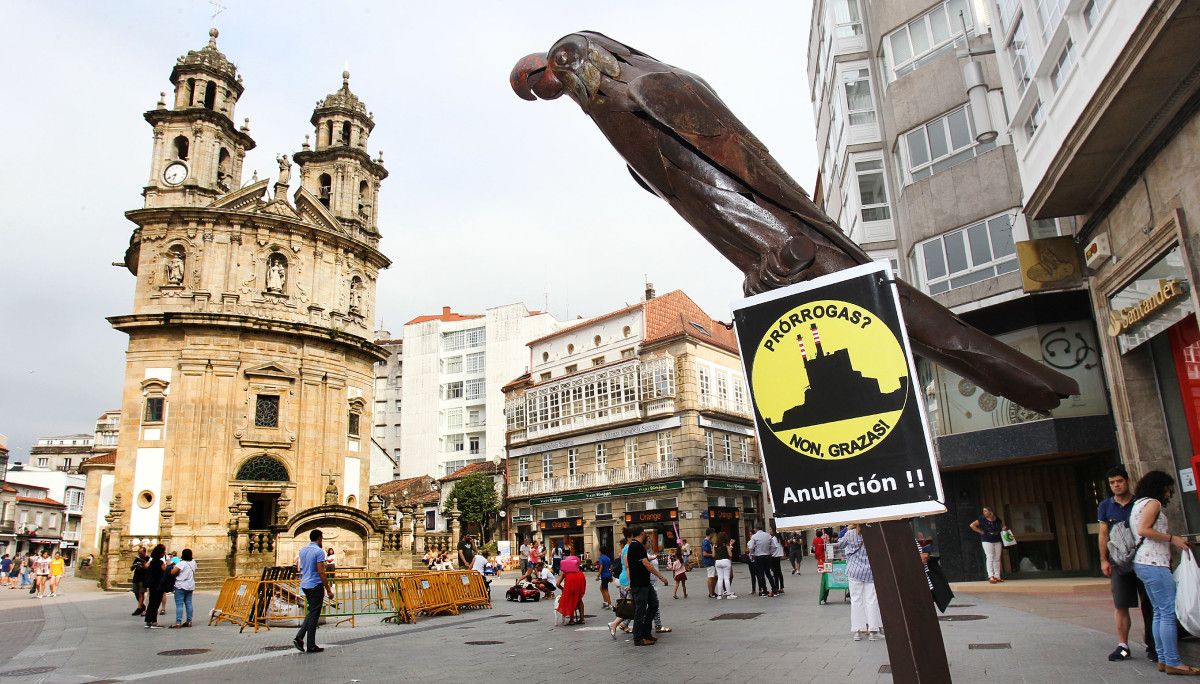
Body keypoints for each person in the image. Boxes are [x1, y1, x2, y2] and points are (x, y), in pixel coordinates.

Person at [1131, 470, 1200, 674]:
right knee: (1167, 612)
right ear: (1160, 487)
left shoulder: (1138, 504)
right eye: (1169, 490)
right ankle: (1172, 660)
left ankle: (1163, 658)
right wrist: (1173, 539)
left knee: (1159, 612)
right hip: (1154, 563)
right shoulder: (1154, 504)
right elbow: (1144, 530)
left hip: (1143, 563)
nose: (1170, 494)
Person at [1097, 465, 1156, 663]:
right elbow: (1103, 533)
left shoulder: (1139, 503)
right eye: (1112, 483)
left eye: (1119, 481)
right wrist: (1104, 559)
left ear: (1127, 481)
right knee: (1121, 604)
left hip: (1143, 559)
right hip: (1119, 562)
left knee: (1149, 602)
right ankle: (1123, 646)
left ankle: (1153, 645)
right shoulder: (1105, 506)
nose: (1116, 485)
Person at [835, 524, 882, 641]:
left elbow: (839, 545)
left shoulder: (850, 533)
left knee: (856, 600)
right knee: (871, 600)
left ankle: (857, 631)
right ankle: (873, 631)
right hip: (870, 571)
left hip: (854, 571)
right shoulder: (873, 533)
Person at [627, 525, 670, 646]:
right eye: (644, 533)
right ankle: (638, 637)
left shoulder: (638, 546)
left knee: (653, 604)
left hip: (645, 583)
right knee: (640, 610)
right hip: (640, 584)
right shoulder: (635, 546)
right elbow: (646, 564)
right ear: (641, 533)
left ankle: (646, 632)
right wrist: (661, 576)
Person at [294, 529, 335, 654]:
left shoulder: (303, 550)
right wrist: (328, 589)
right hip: (315, 584)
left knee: (312, 612)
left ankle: (300, 637)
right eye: (322, 538)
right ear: (319, 538)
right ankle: (310, 644)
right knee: (314, 616)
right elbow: (321, 571)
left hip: (305, 584)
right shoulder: (319, 552)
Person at [969, 506, 1008, 583]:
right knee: (990, 556)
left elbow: (1002, 526)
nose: (984, 513)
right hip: (986, 540)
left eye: (985, 511)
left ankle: (997, 576)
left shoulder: (997, 519)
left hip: (997, 539)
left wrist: (1003, 528)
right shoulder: (982, 519)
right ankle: (991, 576)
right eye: (983, 511)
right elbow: (972, 525)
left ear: (991, 512)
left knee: (997, 558)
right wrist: (980, 531)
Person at [168, 549, 197, 628]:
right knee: (189, 603)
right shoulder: (193, 562)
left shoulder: (181, 563)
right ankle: (189, 621)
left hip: (180, 585)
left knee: (179, 605)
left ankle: (178, 622)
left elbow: (172, 572)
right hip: (190, 585)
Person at [747, 524, 777, 597]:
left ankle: (764, 590)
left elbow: (750, 547)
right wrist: (770, 552)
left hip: (758, 556)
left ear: (755, 529)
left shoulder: (754, 536)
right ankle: (774, 589)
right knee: (768, 573)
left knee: (760, 574)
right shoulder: (768, 535)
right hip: (767, 556)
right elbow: (774, 547)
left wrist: (752, 554)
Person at [556, 553, 587, 625]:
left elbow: (557, 584)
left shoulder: (565, 572)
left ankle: (572, 620)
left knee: (570, 600)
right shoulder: (579, 572)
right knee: (579, 600)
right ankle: (582, 619)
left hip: (570, 585)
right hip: (580, 580)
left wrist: (562, 589)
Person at [143, 544, 166, 628]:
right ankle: (154, 621)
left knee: (151, 602)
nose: (164, 553)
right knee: (156, 603)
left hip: (152, 584)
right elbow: (165, 571)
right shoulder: (160, 563)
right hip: (158, 584)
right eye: (163, 552)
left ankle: (148, 620)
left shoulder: (151, 562)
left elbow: (146, 567)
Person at [714, 531, 736, 599]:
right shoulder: (726, 545)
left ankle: (719, 595)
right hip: (726, 561)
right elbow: (730, 555)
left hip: (717, 562)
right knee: (726, 578)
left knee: (720, 578)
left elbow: (713, 555)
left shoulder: (715, 545)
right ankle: (729, 594)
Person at [131, 546, 149, 616]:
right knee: (135, 592)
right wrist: (134, 565)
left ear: (144, 552)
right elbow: (131, 568)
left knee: (141, 593)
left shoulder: (148, 558)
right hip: (136, 577)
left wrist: (142, 563)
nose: (140, 554)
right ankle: (142, 606)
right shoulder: (136, 559)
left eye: (141, 553)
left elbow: (147, 568)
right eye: (139, 553)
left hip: (143, 578)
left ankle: (139, 608)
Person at [701, 528, 717, 598]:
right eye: (713, 533)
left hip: (712, 561)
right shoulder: (706, 542)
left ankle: (713, 591)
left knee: (714, 577)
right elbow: (704, 553)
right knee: (710, 577)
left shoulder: (709, 542)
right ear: (710, 534)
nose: (714, 535)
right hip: (709, 561)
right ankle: (711, 593)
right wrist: (712, 555)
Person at [597, 545, 613, 609]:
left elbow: (601, 567)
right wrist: (611, 576)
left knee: (605, 589)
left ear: (601, 551)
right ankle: (605, 602)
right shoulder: (608, 558)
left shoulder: (601, 558)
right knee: (602, 588)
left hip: (604, 576)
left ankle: (609, 604)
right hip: (608, 575)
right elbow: (611, 567)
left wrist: (598, 575)